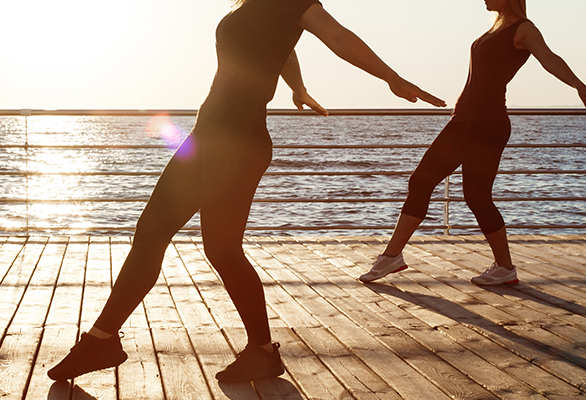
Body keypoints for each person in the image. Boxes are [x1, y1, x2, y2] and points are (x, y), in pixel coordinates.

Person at [48, 0, 444, 383]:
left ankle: (261, 350)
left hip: (237, 141)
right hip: (208, 137)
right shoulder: (249, 6)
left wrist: (390, 77)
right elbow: (281, 50)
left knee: (221, 249)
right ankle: (103, 340)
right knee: (152, 230)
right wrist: (299, 87)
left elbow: (337, 37)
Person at [359, 0, 586, 285]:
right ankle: (498, 267)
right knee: (431, 185)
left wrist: (579, 85)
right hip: (466, 121)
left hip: (487, 124)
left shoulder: (523, 29)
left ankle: (399, 257)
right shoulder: (495, 28)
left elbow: (550, 59)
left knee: (457, 191)